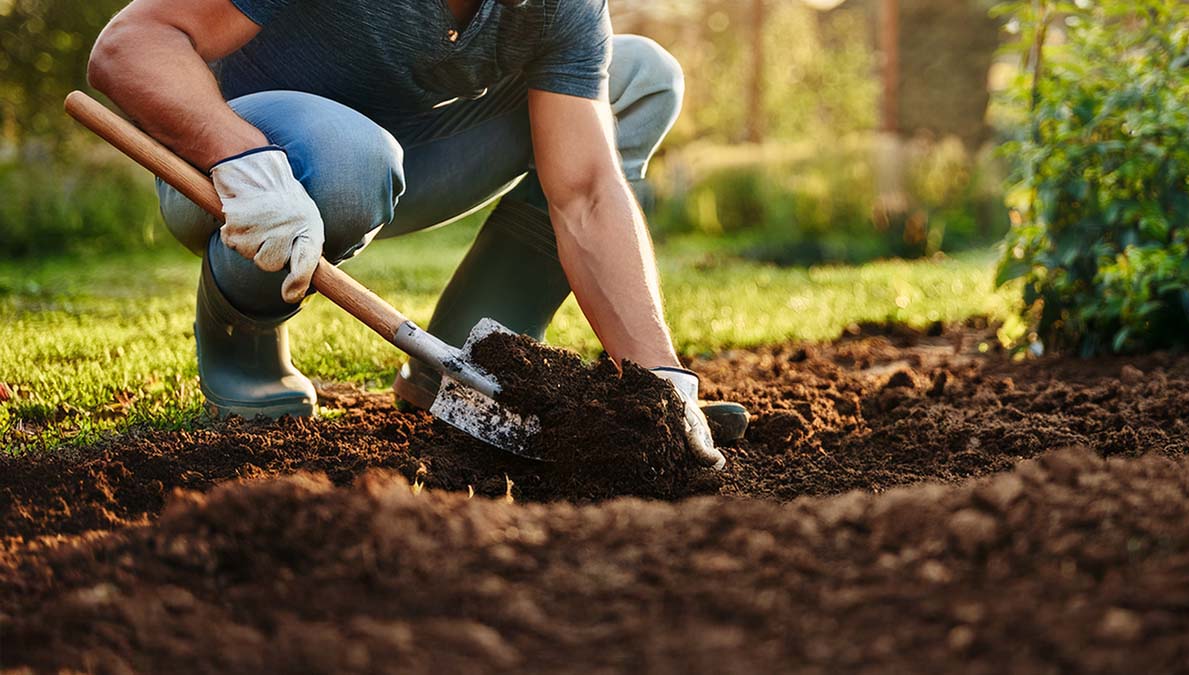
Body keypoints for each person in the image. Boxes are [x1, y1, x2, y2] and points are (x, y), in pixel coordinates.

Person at [87, 0, 748, 469]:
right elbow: (133, 43)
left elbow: (586, 193)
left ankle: (472, 362)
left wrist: (661, 380)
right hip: (221, 166)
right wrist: (237, 155)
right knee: (351, 162)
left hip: (395, 156)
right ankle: (244, 345)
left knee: (639, 77)